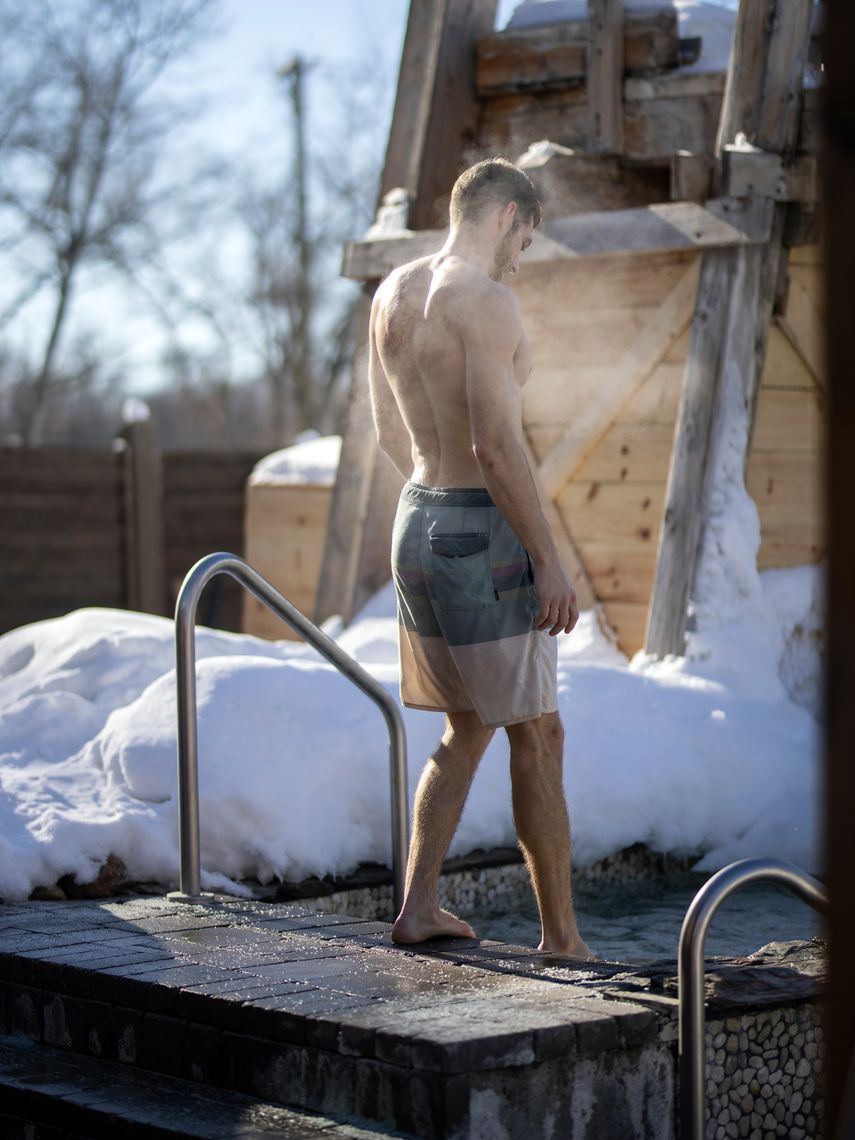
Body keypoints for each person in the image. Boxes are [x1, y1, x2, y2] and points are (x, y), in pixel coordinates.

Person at [368, 157, 592, 959]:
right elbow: (493, 446)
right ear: (504, 216)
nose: (518, 259)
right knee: (539, 734)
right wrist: (548, 559)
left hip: (417, 521)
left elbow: (390, 431)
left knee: (466, 726)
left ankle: (417, 906)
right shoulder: (485, 301)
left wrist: (438, 510)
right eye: (523, 241)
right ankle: (562, 939)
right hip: (479, 529)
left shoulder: (391, 293)